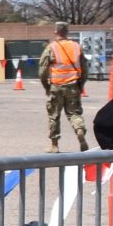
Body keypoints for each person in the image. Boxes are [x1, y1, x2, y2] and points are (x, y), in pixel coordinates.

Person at [40, 22, 90, 152]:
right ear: (67, 32)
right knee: (74, 114)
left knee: (54, 115)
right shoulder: (76, 47)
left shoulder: (51, 47)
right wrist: (81, 84)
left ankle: (54, 145)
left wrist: (46, 86)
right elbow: (85, 69)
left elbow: (42, 70)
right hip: (73, 86)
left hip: (56, 87)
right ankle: (79, 130)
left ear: (55, 31)